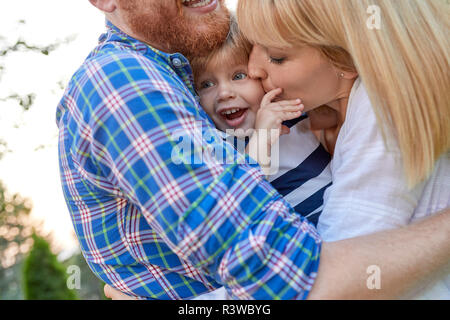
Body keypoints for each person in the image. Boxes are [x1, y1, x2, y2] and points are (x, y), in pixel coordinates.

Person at [60, 0, 450, 301]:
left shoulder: (354, 113)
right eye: (207, 85)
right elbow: (294, 282)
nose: (258, 71)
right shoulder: (126, 82)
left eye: (269, 58)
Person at [237, 0, 450, 299]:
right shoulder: (335, 114)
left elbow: (336, 273)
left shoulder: (380, 110)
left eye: (277, 57)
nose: (252, 68)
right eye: (252, 46)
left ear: (346, 62)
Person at [190, 16, 332, 226]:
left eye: (238, 76)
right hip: (303, 242)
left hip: (345, 218)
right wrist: (262, 137)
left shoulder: (294, 111)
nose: (224, 93)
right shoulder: (223, 146)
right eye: (206, 84)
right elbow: (243, 195)